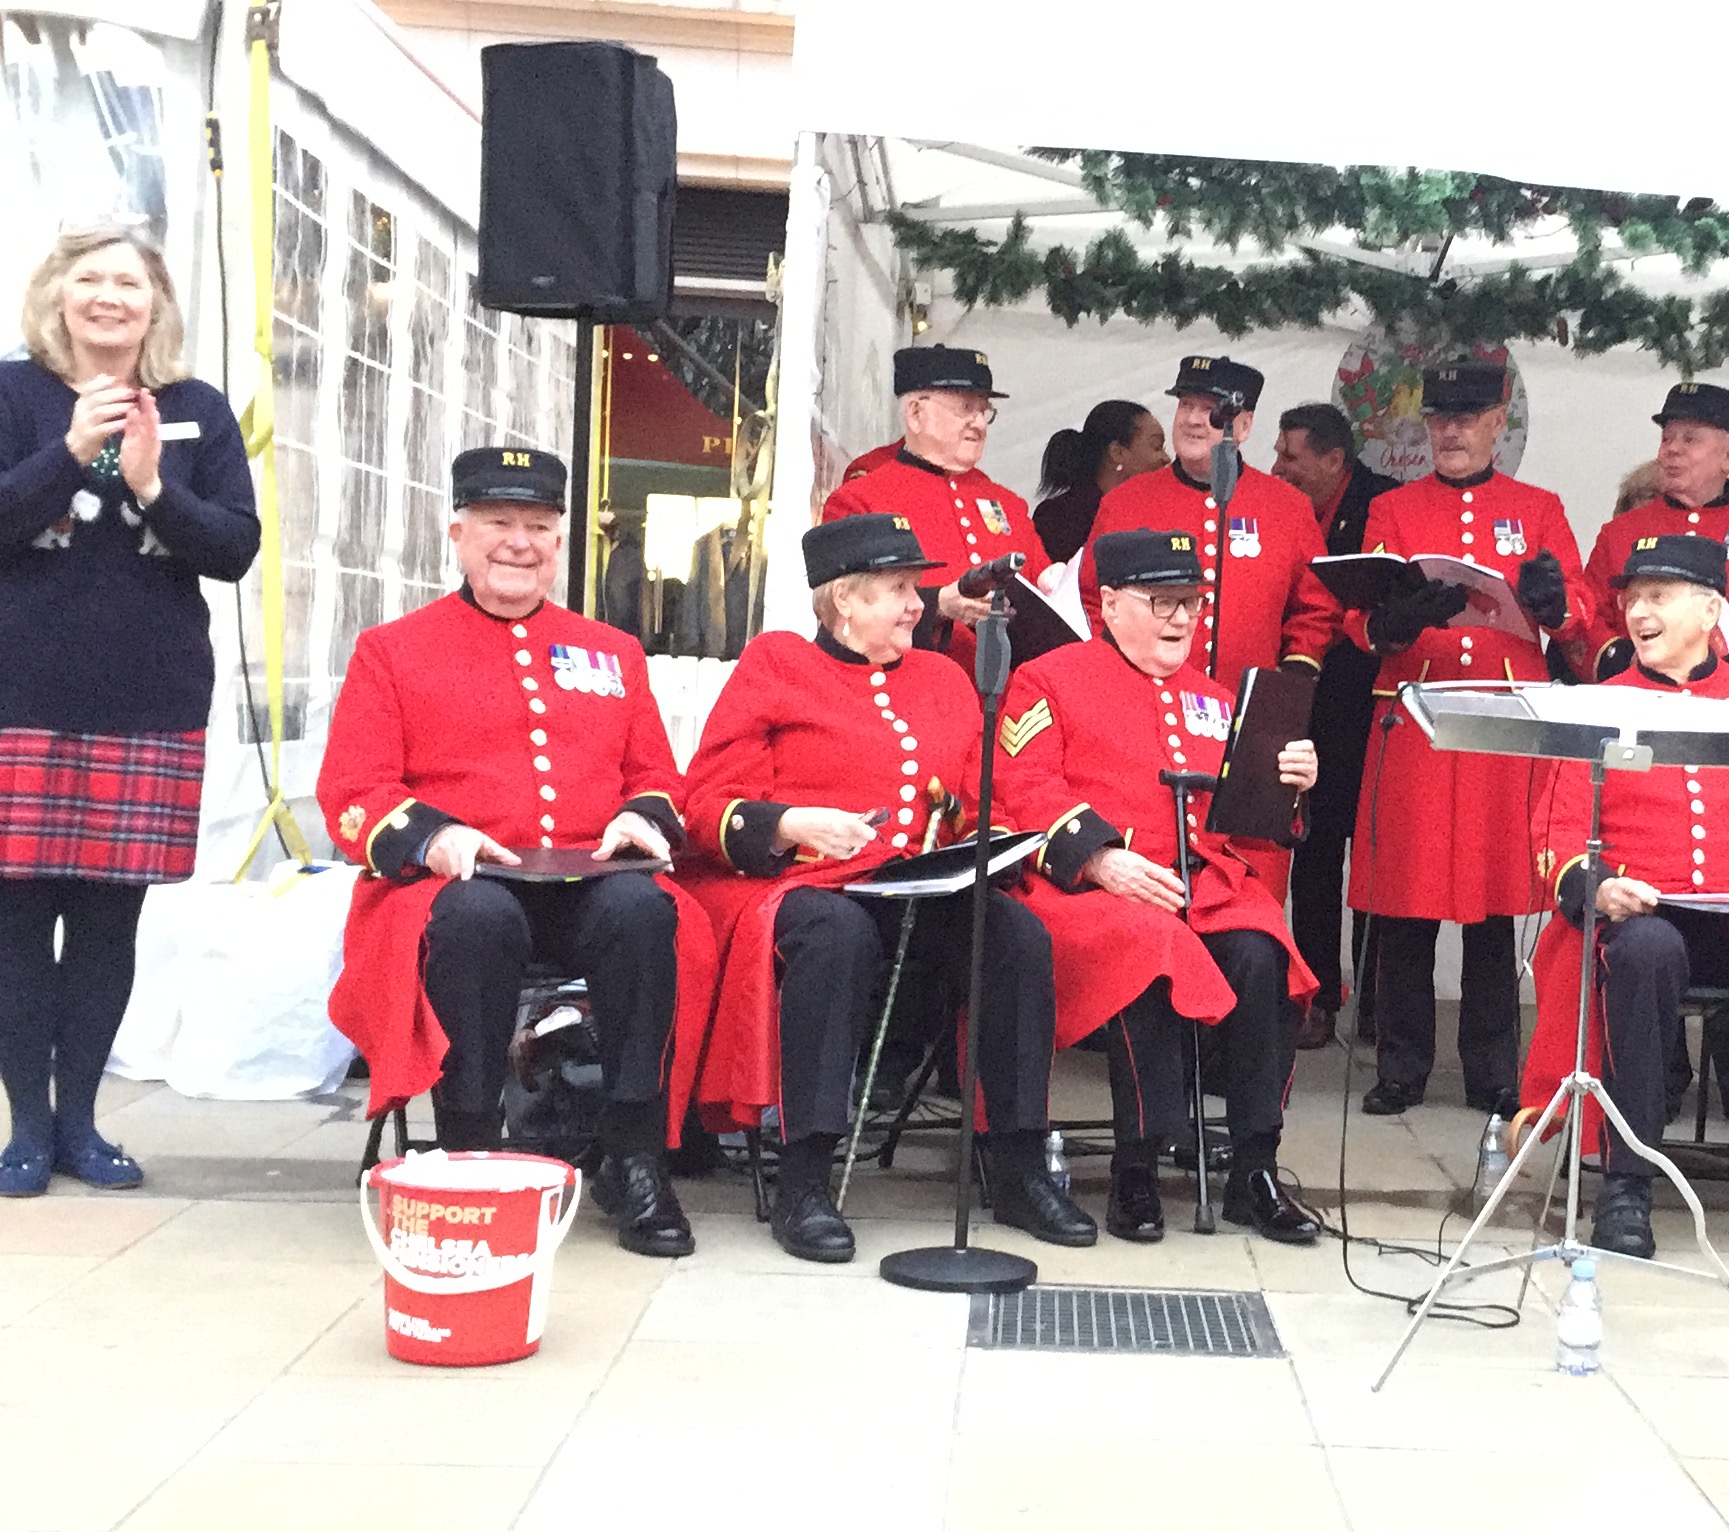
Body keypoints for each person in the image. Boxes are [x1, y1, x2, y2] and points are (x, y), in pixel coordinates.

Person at [319, 447, 717, 1258]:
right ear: (459, 534)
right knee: (476, 918)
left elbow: (657, 775)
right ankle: (469, 1150)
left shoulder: (611, 651)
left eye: (538, 526)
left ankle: (634, 1153)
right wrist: (436, 836)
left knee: (644, 909)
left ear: (560, 541)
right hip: (456, 887)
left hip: (586, 880)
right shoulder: (393, 650)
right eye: (500, 524)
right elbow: (353, 792)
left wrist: (643, 817)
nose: (519, 543)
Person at [674, 517, 1095, 1262]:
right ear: (844, 602)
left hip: (920, 885)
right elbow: (706, 802)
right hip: (807, 886)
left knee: (1015, 937)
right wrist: (789, 821)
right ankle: (804, 1174)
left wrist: (984, 837)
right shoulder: (777, 664)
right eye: (898, 590)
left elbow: (976, 792)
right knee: (836, 938)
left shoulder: (942, 678)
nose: (916, 604)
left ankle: (1020, 1162)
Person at [0, 227, 259, 1197]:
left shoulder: (196, 409)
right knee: (16, 923)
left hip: (146, 696)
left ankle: (82, 1125)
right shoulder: (11, 391)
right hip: (18, 694)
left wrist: (152, 483)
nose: (110, 296)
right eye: (90, 279)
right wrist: (68, 452)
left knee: (110, 924)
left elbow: (233, 548)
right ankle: (25, 1128)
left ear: (157, 305)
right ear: (56, 295)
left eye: (130, 282)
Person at [1520, 535, 1729, 1270]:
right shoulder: (1600, 706)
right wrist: (1599, 885)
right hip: (1646, 909)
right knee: (1644, 950)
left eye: (1659, 597)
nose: (1638, 611)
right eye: (1632, 598)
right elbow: (1559, 827)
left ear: (1710, 610)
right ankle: (1627, 1183)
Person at [998, 529, 1326, 1243]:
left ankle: (1254, 1166)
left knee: (1260, 948)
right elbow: (1021, 789)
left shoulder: (1215, 699)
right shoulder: (1048, 678)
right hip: (1088, 891)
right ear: (1111, 604)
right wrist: (1098, 859)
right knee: (1144, 948)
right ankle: (1136, 1166)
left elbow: (1249, 825)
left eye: (1191, 603)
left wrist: (1291, 788)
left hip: (1200, 886)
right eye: (1163, 602)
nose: (1182, 619)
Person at [1341, 361, 1588, 1116]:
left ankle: (1492, 1070)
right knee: (1404, 899)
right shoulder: (1394, 507)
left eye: (1466, 417)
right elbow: (1363, 606)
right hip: (1416, 717)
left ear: (1496, 422)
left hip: (1504, 723)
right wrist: (1388, 621)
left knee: (1495, 903)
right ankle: (1401, 1064)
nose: (1450, 430)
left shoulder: (1537, 506)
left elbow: (1576, 606)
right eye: (1439, 417)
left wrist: (1554, 604)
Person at [1074, 355, 1338, 894]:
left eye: (1213, 410)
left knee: (1251, 891)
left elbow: (1317, 607)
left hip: (1249, 731)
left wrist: (1286, 687)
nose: (1194, 420)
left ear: (1243, 427)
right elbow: (1091, 599)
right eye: (1185, 406)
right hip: (1141, 723)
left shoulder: (1286, 507)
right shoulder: (1127, 502)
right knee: (1150, 880)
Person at [1268, 402, 1399, 1050]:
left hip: (1372, 707)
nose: (1277, 467)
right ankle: (1319, 994)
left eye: (1290, 456)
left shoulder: (1384, 504)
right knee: (1313, 853)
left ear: (1333, 460)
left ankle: (1375, 1001)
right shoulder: (1277, 506)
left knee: (1373, 858)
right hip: (1306, 704)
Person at [819, 347, 1049, 669]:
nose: (980, 423)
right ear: (915, 413)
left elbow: (1040, 593)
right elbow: (840, 609)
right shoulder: (862, 499)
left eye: (985, 411)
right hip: (908, 694)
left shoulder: (1008, 504)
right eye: (966, 409)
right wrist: (939, 605)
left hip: (1006, 706)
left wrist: (1058, 582)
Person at [1581, 383, 1729, 689]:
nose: (1671, 449)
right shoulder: (1620, 532)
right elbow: (1588, 618)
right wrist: (1624, 660)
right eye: (1666, 438)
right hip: (1637, 696)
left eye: (1690, 439)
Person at [1033, 400, 1167, 564]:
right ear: (1117, 452)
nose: (1166, 459)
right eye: (1156, 446)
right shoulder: (1057, 519)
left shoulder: (1159, 512)